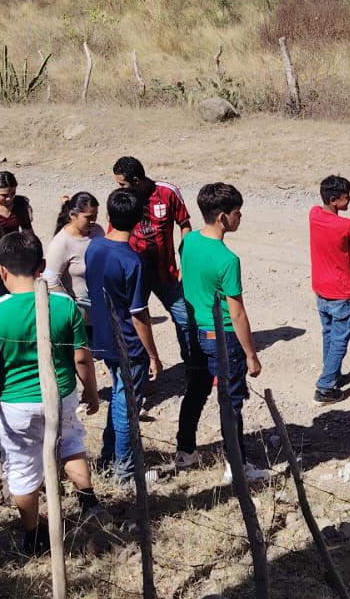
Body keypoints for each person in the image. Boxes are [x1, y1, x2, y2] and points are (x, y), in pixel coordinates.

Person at [0, 231, 101, 553]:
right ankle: (89, 506)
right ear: (42, 266)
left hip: (16, 404)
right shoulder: (64, 306)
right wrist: (92, 393)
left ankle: (34, 534)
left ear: (1, 270)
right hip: (62, 395)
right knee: (71, 445)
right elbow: (81, 357)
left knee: (23, 466)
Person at [173, 182, 268, 481]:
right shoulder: (227, 259)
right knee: (231, 401)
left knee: (196, 390)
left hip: (195, 332)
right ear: (223, 217)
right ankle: (235, 466)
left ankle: (185, 450)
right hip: (222, 336)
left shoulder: (189, 242)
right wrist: (251, 354)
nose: (241, 218)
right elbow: (236, 312)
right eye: (238, 213)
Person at [85, 188, 165, 485]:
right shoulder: (133, 261)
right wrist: (153, 355)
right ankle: (126, 472)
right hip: (129, 343)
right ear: (139, 221)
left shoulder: (94, 248)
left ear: (107, 216)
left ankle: (109, 458)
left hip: (104, 338)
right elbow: (139, 314)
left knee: (119, 398)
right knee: (127, 405)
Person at [112, 156, 192, 352]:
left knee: (186, 321)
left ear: (137, 181)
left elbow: (185, 225)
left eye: (123, 184)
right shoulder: (123, 199)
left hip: (167, 274)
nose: (120, 189)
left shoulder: (168, 192)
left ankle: (194, 367)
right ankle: (144, 370)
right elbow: (114, 233)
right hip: (136, 274)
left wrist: (185, 264)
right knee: (134, 322)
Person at [308, 174, 350, 404]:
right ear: (334, 200)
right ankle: (324, 387)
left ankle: (330, 373)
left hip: (320, 287)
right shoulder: (346, 225)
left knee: (328, 333)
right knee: (340, 338)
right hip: (341, 289)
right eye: (345, 198)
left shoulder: (314, 214)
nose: (349, 200)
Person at [45, 191, 104, 309]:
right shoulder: (61, 243)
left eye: (95, 216)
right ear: (73, 215)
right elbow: (51, 281)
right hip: (79, 310)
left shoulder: (98, 231)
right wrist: (72, 308)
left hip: (102, 304)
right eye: (88, 217)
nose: (93, 220)